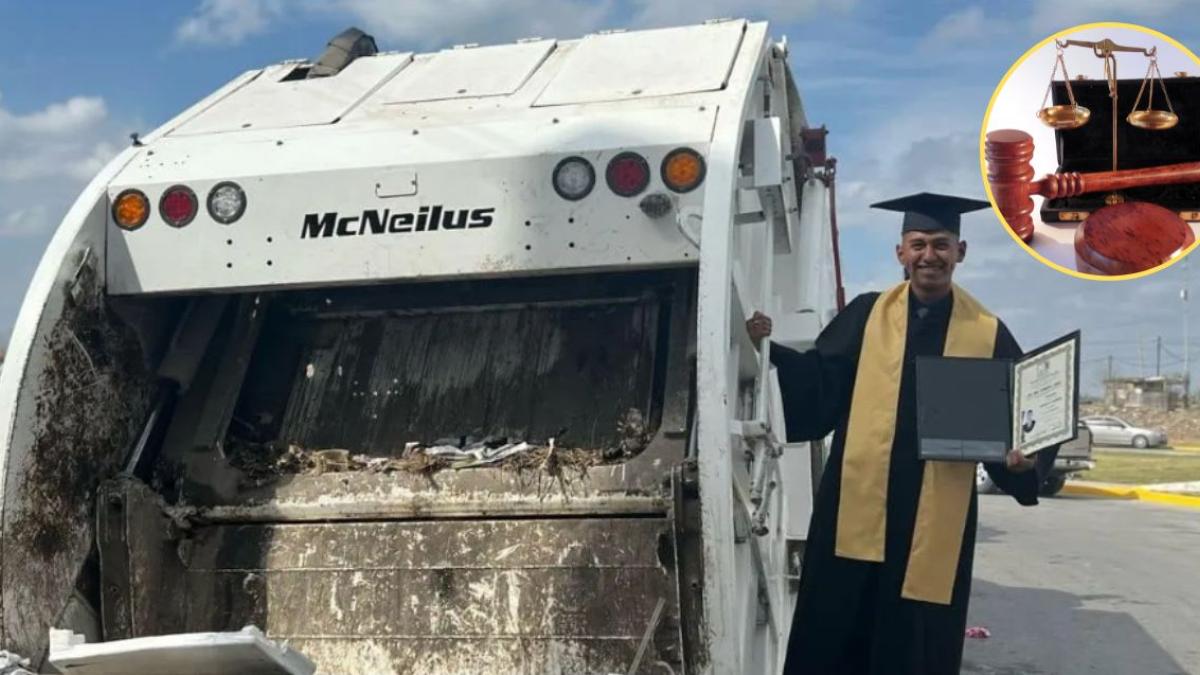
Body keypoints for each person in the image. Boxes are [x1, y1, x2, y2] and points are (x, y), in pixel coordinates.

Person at [746, 192, 1058, 675]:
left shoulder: (987, 332)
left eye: (940, 244)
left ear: (961, 252)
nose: (928, 255)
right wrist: (765, 347)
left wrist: (1025, 463)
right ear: (900, 254)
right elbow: (819, 382)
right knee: (836, 631)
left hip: (932, 519)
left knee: (917, 643)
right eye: (917, 244)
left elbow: (1017, 418)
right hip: (855, 508)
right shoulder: (868, 315)